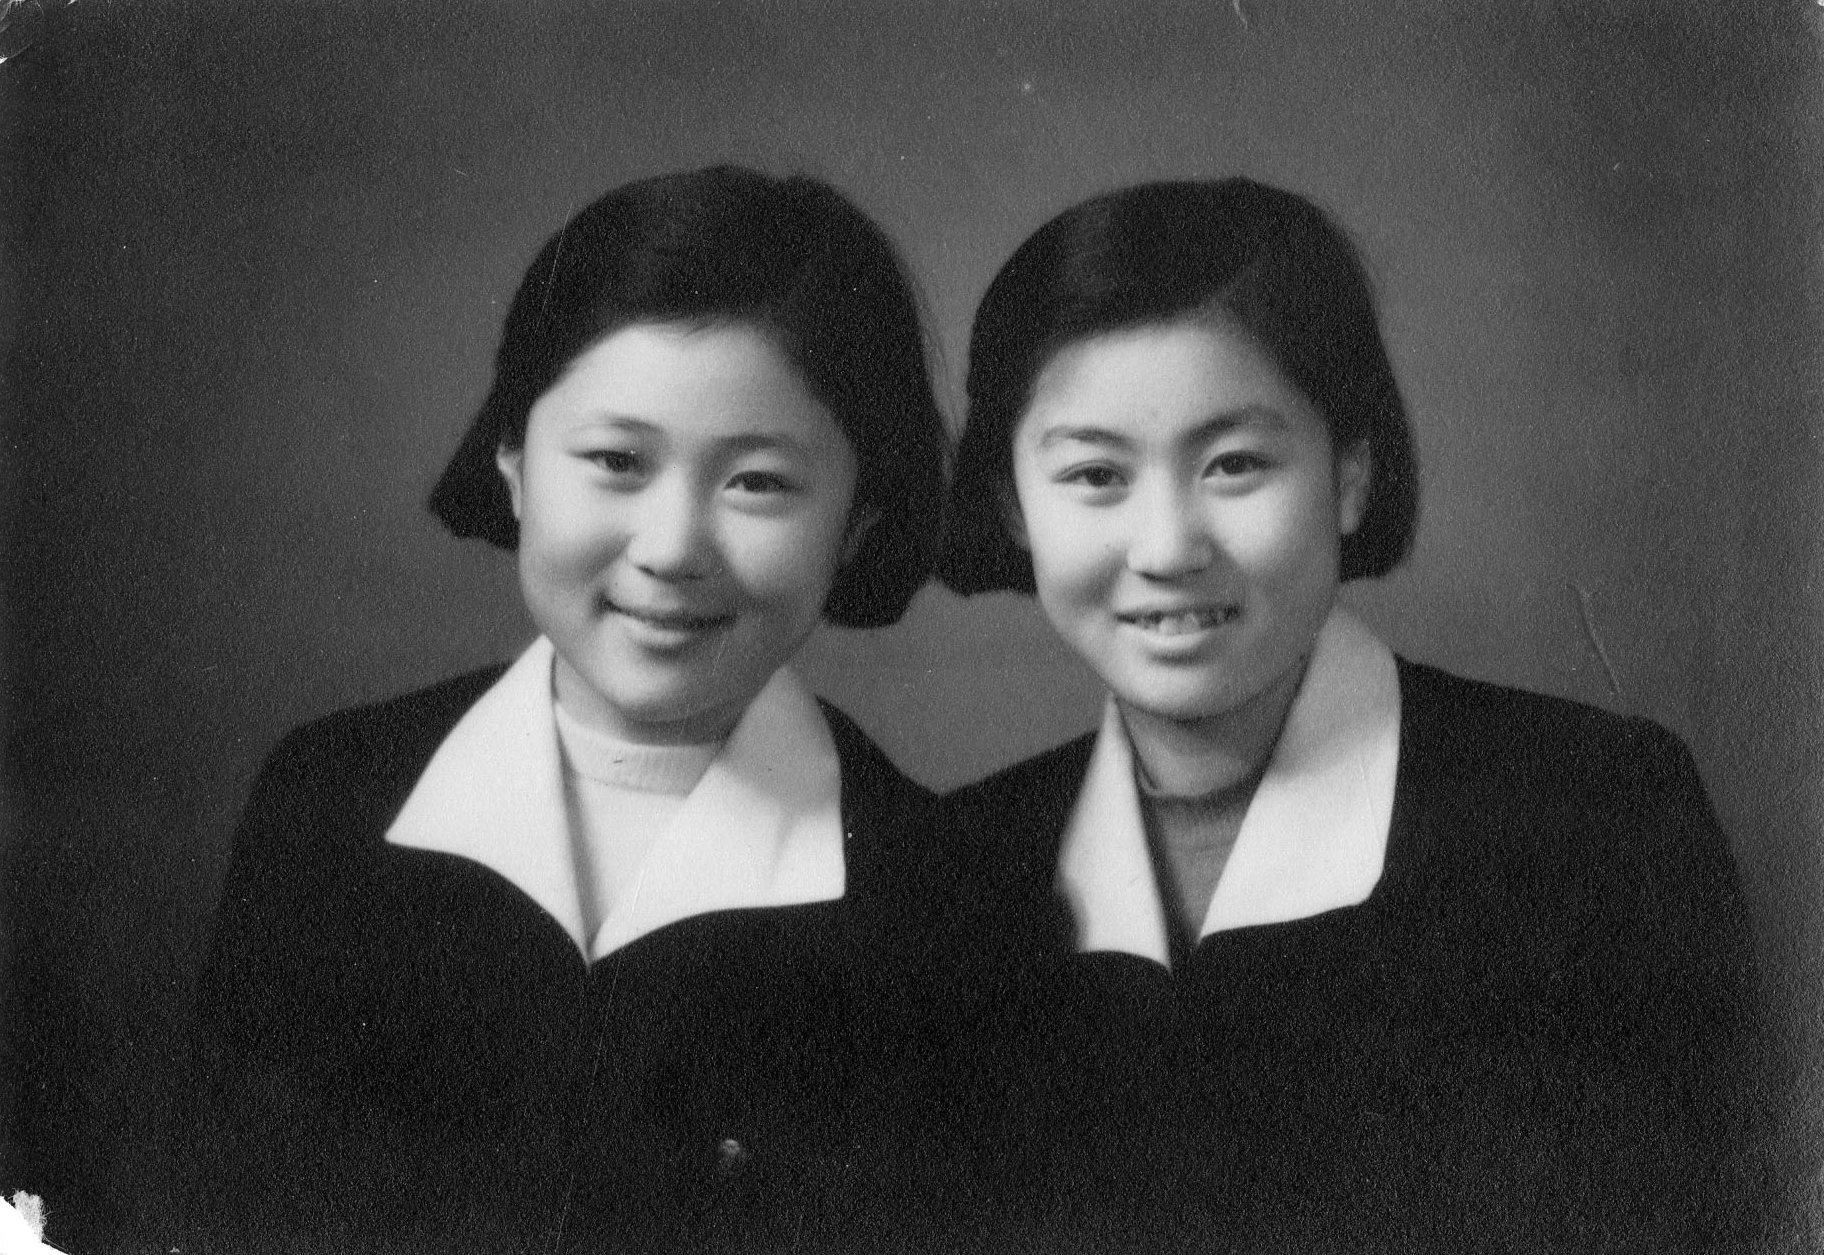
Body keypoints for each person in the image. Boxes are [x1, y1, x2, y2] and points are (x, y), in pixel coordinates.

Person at [937, 178, 1773, 1254]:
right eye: (1095, 474)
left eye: (1235, 463)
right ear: (1014, 506)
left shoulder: (1595, 811)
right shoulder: (954, 869)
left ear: (1349, 475)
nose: (1166, 545)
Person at [169, 165, 959, 1255]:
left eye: (761, 481)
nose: (674, 546)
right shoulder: (331, 792)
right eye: (616, 461)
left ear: (857, 524)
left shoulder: (937, 888)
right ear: (513, 464)